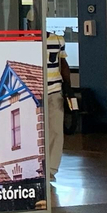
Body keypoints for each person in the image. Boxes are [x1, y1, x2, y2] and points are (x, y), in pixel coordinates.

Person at [45, 32, 66, 179]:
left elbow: (63, 63)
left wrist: (69, 90)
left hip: (54, 90)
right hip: (35, 90)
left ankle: (51, 169)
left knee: (56, 130)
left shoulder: (57, 39)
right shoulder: (27, 40)